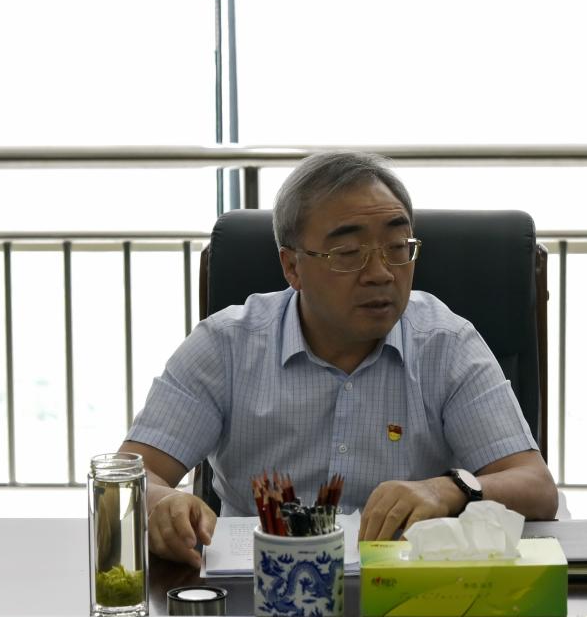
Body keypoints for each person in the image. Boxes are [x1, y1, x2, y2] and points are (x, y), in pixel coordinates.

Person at [119, 151, 558, 567]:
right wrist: (164, 504)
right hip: (257, 596)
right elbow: (132, 477)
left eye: (397, 247)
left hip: (405, 596)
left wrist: (449, 489)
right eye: (348, 254)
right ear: (292, 267)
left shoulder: (447, 344)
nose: (381, 273)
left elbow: (535, 487)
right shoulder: (226, 346)